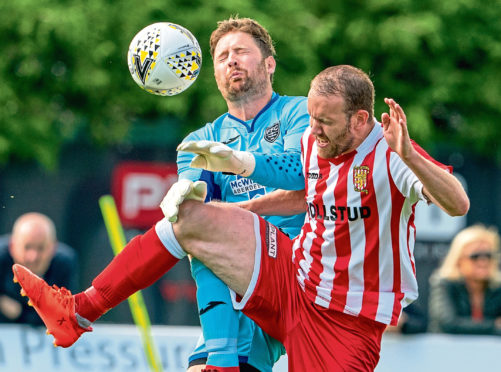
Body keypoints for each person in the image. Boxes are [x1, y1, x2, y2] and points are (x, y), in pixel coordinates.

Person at [12, 65, 469, 371]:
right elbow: (301, 190)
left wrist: (409, 154)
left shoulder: (392, 157)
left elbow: (458, 203)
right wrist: (235, 202)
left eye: (324, 121)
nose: (312, 129)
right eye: (310, 117)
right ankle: (77, 312)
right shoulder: (317, 139)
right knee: (189, 216)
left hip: (346, 327)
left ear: (360, 120)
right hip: (293, 278)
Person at [176, 17, 308, 372]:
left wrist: (239, 177)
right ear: (216, 75)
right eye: (222, 57)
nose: (230, 60)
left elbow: (301, 176)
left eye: (240, 52)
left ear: (269, 64)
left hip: (298, 267)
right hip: (238, 279)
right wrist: (183, 198)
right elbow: (193, 212)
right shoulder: (200, 139)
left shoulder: (301, 111)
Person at [0, 212, 78, 324]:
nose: (33, 257)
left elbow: (63, 316)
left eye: (41, 248)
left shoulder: (64, 263)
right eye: (27, 247)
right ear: (12, 246)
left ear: (53, 248)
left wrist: (19, 313)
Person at [428, 224, 501, 335]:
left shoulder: (497, 288)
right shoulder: (444, 284)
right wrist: (493, 326)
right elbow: (449, 324)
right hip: (447, 350)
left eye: (488, 255)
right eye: (475, 256)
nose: (483, 261)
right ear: (458, 260)